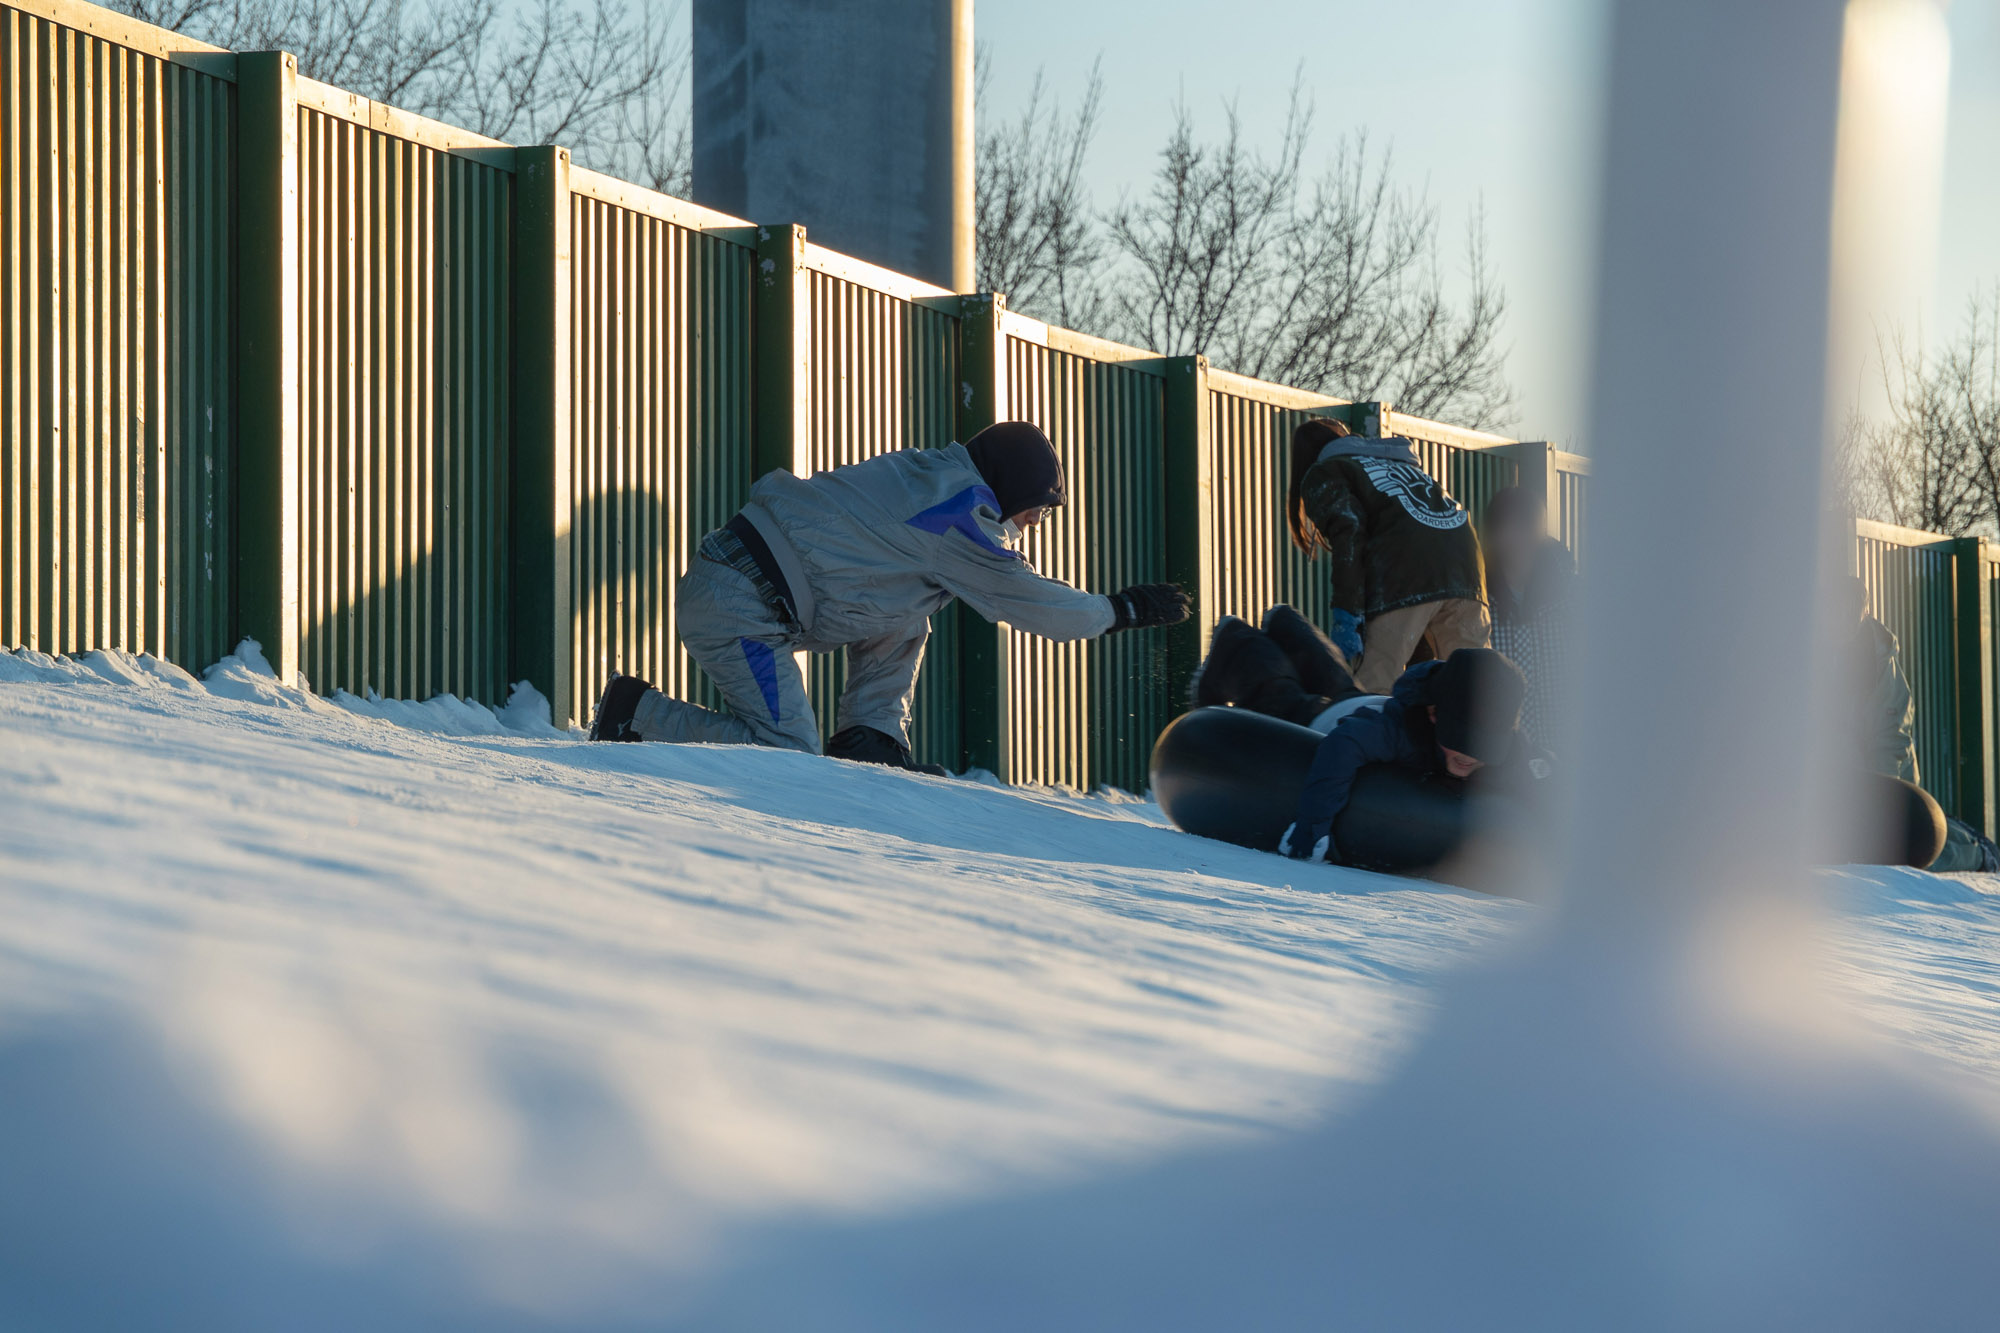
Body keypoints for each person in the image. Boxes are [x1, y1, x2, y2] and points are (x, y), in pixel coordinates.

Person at [586, 422, 1191, 772]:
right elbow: (1023, 598)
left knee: (911, 607)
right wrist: (1120, 609)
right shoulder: (959, 514)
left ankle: (870, 738)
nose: (1033, 523)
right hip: (743, 604)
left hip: (745, 583)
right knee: (786, 751)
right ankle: (635, 714)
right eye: (1036, 508)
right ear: (1011, 489)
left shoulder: (934, 477)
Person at [1278, 647, 1543, 865]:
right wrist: (1312, 830)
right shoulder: (1401, 729)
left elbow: (1541, 789)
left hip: (1362, 700)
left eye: (1484, 747)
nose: (1470, 756)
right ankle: (1244, 631)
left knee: (1337, 681)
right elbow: (1343, 745)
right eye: (1459, 741)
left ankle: (1291, 625)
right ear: (1432, 714)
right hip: (1331, 719)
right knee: (1281, 694)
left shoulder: (1513, 751)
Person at [1285, 417, 1489, 694]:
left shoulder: (1325, 470)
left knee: (1370, 693)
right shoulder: (1398, 463)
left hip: (1403, 575)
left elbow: (1350, 530)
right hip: (1467, 573)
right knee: (1474, 694)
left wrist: (1347, 613)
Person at [1844, 577, 1999, 871]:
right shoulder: (1813, 653)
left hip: (1884, 780)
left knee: (1921, 855)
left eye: (1849, 611)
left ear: (1861, 613)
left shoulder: (1876, 665)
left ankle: (1980, 855)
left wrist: (1877, 807)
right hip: (1842, 786)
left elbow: (1891, 740)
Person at [1481, 486, 1577, 753]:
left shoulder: (1571, 597)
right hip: (1501, 761)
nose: (1518, 537)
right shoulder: (1478, 602)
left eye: (1527, 525)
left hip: (1566, 756)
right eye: (1507, 526)